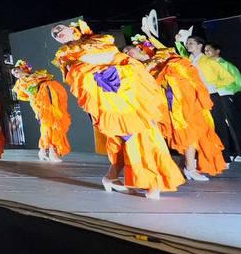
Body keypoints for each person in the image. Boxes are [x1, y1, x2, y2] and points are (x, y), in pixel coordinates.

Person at [52, 21, 184, 198]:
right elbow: (76, 76)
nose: (57, 32)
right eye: (54, 34)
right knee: (134, 135)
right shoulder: (64, 53)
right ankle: (151, 182)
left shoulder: (99, 39)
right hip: (105, 96)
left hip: (127, 90)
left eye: (59, 28)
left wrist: (112, 68)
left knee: (129, 137)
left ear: (71, 28)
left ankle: (113, 178)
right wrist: (101, 70)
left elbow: (117, 56)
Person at [127, 36, 226, 181]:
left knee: (189, 132)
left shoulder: (164, 58)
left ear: (142, 48)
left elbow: (168, 57)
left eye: (132, 48)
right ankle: (151, 170)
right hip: (156, 106)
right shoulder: (135, 67)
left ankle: (190, 167)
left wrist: (149, 36)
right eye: (126, 51)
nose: (128, 51)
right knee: (153, 137)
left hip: (178, 102)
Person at [193, 37, 241, 162]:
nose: (206, 53)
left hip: (225, 94)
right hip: (213, 95)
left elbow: (239, 82)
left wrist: (222, 88)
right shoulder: (204, 63)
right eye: (205, 51)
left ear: (217, 51)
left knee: (229, 124)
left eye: (209, 51)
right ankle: (220, 152)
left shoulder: (226, 65)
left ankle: (239, 152)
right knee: (216, 124)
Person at [9, 59, 72, 162]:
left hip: (50, 100)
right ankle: (51, 151)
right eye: (13, 73)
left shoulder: (37, 75)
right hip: (39, 104)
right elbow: (25, 95)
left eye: (16, 71)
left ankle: (43, 151)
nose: (15, 74)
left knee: (53, 123)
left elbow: (48, 82)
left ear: (22, 68)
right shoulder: (20, 83)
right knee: (47, 124)